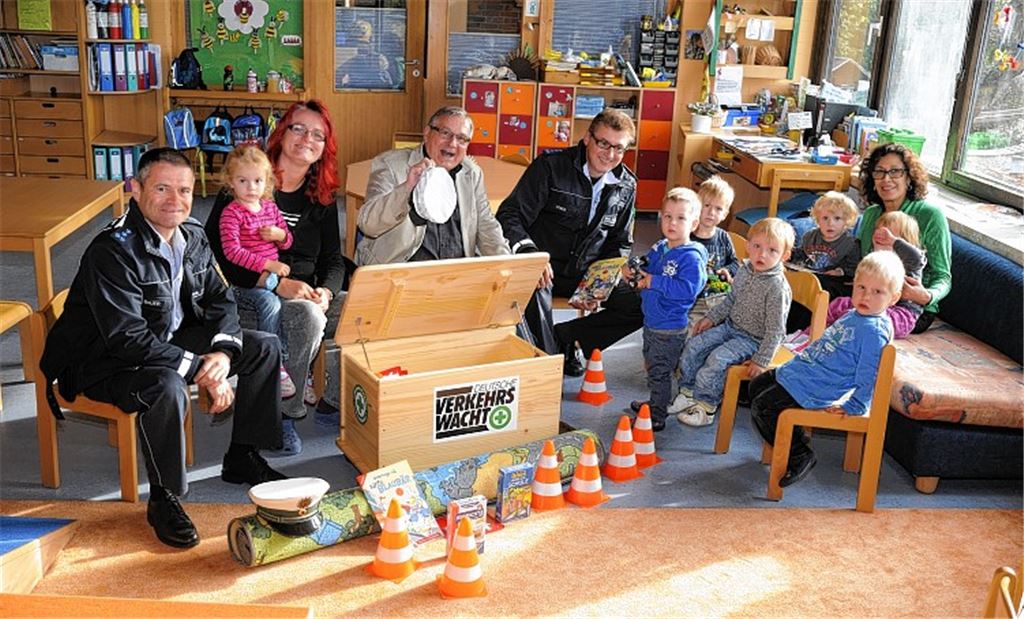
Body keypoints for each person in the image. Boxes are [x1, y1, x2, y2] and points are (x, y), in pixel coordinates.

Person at [39, 148, 287, 549]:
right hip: (103, 361)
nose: (175, 200)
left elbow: (220, 300)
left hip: (163, 339)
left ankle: (243, 455)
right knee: (167, 386)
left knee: (262, 347)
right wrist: (199, 368)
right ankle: (163, 497)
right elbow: (127, 338)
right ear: (136, 190)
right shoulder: (113, 250)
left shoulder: (192, 234)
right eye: (162, 189)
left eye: (184, 190)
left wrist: (222, 354)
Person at [206, 100, 347, 453]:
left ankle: (332, 399)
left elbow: (333, 260)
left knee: (362, 309)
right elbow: (217, 255)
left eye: (317, 134)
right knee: (307, 317)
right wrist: (277, 284)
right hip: (252, 293)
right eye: (299, 128)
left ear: (325, 146)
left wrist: (327, 292)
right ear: (282, 133)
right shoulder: (245, 180)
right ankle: (283, 413)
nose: (307, 139)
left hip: (304, 288)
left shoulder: (323, 197)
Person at [495, 108, 640, 376]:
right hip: (543, 269)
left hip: (584, 274)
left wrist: (597, 284)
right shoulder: (550, 167)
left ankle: (566, 337)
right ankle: (549, 364)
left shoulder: (627, 184)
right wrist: (531, 255)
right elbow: (510, 215)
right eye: (603, 143)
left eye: (618, 148)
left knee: (641, 305)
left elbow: (620, 242)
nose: (610, 154)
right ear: (587, 138)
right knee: (536, 292)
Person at [748, 251, 905, 487]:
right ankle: (792, 434)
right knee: (755, 386)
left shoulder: (874, 331)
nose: (866, 296)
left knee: (763, 407)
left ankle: (799, 453)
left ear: (893, 298)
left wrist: (856, 405)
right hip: (805, 372)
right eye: (861, 287)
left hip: (818, 387)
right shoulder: (854, 314)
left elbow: (870, 373)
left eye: (877, 292)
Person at [674, 217, 794, 427]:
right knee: (694, 345)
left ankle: (706, 407)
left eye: (772, 250)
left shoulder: (777, 287)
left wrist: (761, 359)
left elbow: (776, 331)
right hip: (730, 326)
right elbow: (731, 300)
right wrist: (711, 318)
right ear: (748, 245)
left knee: (717, 359)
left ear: (784, 256)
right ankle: (688, 392)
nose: (762, 255)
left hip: (753, 340)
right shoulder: (745, 270)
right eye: (757, 246)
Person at [355, 106, 510, 265]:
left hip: (455, 271)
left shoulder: (471, 173)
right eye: (445, 133)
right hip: (402, 271)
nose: (452, 143)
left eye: (462, 138)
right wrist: (407, 189)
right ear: (427, 133)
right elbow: (368, 225)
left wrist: (509, 265)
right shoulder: (391, 165)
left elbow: (487, 225)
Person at [624, 187, 707, 431]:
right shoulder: (661, 246)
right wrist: (635, 270)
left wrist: (654, 281)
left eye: (681, 218)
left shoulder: (691, 257)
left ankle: (657, 415)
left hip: (669, 328)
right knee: (652, 368)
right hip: (652, 321)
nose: (672, 223)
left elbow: (688, 290)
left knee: (660, 372)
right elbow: (648, 266)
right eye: (667, 216)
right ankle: (654, 402)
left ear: (693, 224)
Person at [218, 145, 295, 397]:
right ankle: (276, 362)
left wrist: (280, 235)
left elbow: (288, 241)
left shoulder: (270, 208)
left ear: (267, 181)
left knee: (297, 305)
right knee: (270, 304)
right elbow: (231, 252)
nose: (251, 187)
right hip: (244, 285)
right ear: (231, 181)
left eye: (258, 181)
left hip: (273, 278)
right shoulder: (231, 213)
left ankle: (296, 370)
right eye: (243, 181)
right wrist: (267, 265)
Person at [855, 143, 951, 333]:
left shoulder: (930, 215)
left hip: (912, 307)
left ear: (909, 177)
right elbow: (860, 258)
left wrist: (926, 296)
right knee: (819, 289)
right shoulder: (871, 214)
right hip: (872, 294)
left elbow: (943, 276)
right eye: (879, 172)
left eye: (895, 171)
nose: (886, 179)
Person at [823, 211, 926, 339]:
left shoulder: (910, 262)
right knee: (840, 304)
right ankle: (814, 332)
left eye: (889, 233)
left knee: (864, 321)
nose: (882, 235)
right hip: (875, 304)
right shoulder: (874, 258)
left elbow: (917, 258)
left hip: (900, 315)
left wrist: (893, 242)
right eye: (879, 230)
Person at [789, 190, 861, 300]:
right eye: (825, 218)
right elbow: (800, 254)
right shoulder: (810, 236)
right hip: (810, 276)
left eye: (837, 218)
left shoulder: (851, 244)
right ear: (817, 220)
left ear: (846, 221)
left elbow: (854, 267)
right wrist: (791, 259)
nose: (830, 223)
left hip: (832, 282)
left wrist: (840, 271)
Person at [689, 175, 739, 324]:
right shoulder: (686, 237)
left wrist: (727, 271)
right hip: (694, 300)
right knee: (690, 329)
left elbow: (735, 263)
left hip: (719, 298)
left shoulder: (723, 237)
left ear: (725, 214)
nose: (711, 212)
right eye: (707, 205)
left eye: (718, 209)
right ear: (697, 206)